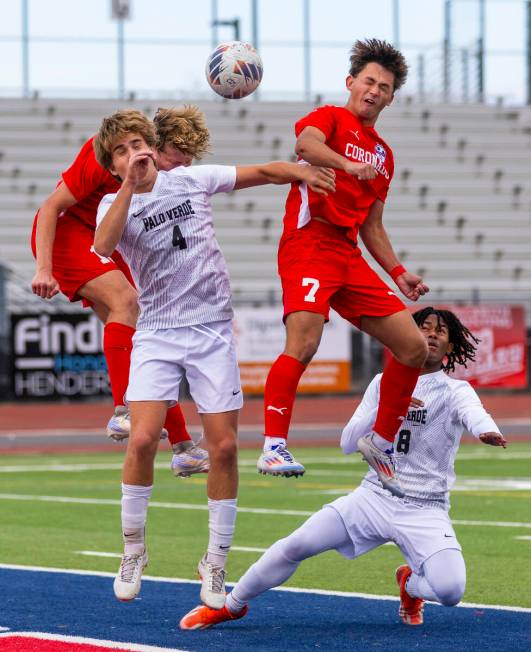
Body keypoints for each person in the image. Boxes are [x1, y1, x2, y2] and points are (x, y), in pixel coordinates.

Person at [92, 109, 336, 608]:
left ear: (152, 144)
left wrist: (304, 172)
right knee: (140, 438)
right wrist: (129, 188)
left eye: (138, 142)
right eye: (121, 150)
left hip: (211, 331)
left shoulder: (190, 179)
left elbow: (261, 173)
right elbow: (103, 244)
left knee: (223, 449)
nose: (133, 152)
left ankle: (216, 562)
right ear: (112, 163)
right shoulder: (110, 204)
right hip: (157, 333)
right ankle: (133, 550)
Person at [179, 306, 507, 630]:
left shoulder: (455, 390)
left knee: (451, 591)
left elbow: (474, 414)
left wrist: (487, 430)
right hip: (373, 497)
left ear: (450, 346)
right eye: (424, 327)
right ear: (408, 335)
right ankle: (231, 606)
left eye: (441, 330)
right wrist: (388, 405)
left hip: (425, 507)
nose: (432, 334)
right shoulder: (382, 383)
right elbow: (348, 442)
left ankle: (409, 585)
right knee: (297, 544)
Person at [257, 39, 429, 496]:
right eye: (369, 81)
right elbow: (305, 145)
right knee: (306, 341)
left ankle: (380, 440)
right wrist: (346, 163)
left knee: (414, 346)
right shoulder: (329, 118)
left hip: (348, 254)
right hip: (308, 243)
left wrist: (397, 272)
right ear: (351, 83)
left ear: (391, 98)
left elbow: (373, 225)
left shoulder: (385, 156)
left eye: (384, 86)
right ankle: (274, 444)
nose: (374, 90)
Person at [29, 113, 208, 477]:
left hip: (105, 239)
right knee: (126, 302)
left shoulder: (160, 177)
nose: (179, 170)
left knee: (146, 335)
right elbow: (50, 208)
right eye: (176, 161)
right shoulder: (105, 154)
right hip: (69, 236)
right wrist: (44, 270)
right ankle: (123, 411)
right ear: (156, 147)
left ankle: (183, 446)